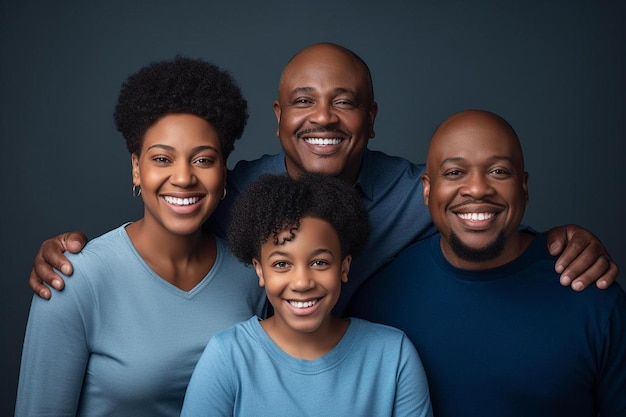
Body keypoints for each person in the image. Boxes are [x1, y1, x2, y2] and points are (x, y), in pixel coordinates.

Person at [28, 43, 618, 315]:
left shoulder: (414, 193)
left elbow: (480, 209)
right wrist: (69, 254)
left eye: (345, 101)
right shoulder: (232, 190)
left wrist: (560, 242)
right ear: (279, 117)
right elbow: (168, 208)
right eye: (304, 101)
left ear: (372, 117)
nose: (324, 118)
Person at [15, 57, 266, 416]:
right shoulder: (75, 279)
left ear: (224, 171)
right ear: (137, 168)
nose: (183, 178)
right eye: (162, 159)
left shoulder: (251, 275)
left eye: (203, 160)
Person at [348, 110, 626, 416]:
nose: (478, 189)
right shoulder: (379, 299)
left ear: (524, 187)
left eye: (498, 172)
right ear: (427, 189)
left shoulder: (592, 296)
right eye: (455, 173)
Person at [181, 173, 433, 416]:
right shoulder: (228, 356)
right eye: (281, 264)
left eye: (319, 263)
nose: (302, 282)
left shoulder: (393, 355)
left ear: (344, 267)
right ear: (260, 271)